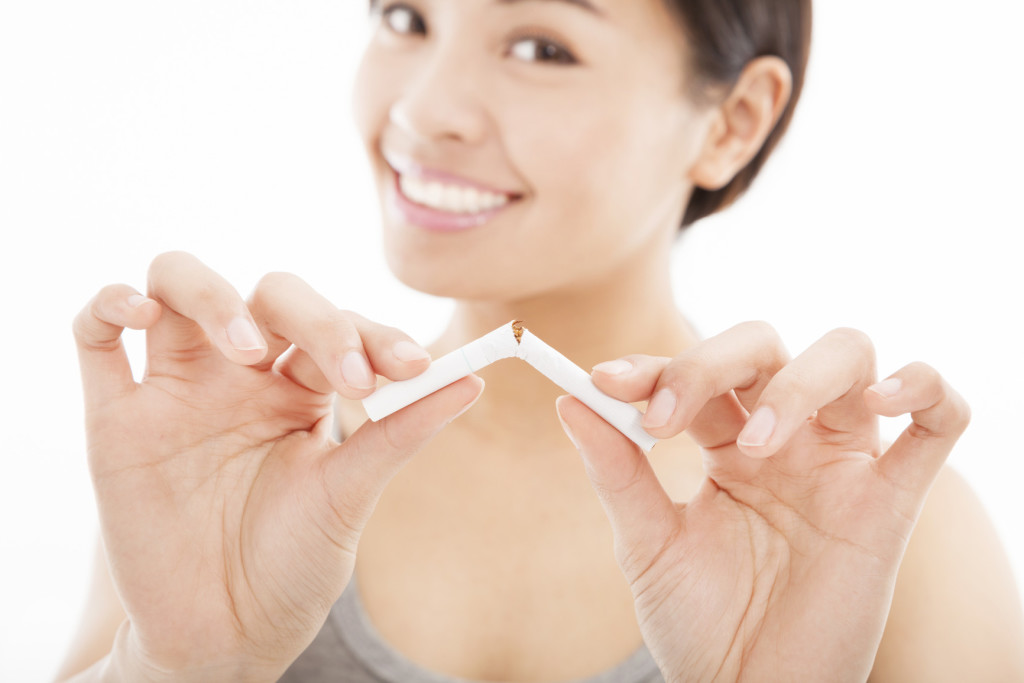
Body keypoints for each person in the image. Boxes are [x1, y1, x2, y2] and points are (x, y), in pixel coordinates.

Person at [55, 0, 1024, 681]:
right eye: (404, 16)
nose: (422, 110)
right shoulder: (244, 475)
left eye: (540, 46)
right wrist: (179, 671)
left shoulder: (883, 530)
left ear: (732, 121)